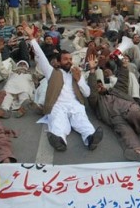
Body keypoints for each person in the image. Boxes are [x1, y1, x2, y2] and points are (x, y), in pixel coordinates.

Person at [23, 22, 103, 152]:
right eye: (66, 59)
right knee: (58, 123)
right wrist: (32, 38)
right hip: (57, 105)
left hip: (74, 104)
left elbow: (88, 94)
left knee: (82, 120)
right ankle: (59, 141)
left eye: (70, 59)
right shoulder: (52, 72)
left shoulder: (76, 73)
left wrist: (80, 81)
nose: (69, 61)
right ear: (59, 62)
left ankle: (90, 138)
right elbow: (41, 57)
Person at [88, 54, 140, 162]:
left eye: (100, 85)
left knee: (136, 114)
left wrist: (124, 66)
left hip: (128, 109)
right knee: (126, 133)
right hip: (116, 118)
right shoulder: (97, 101)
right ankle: (137, 151)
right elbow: (92, 91)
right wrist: (92, 70)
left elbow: (122, 80)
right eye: (97, 87)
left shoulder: (116, 90)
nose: (99, 87)